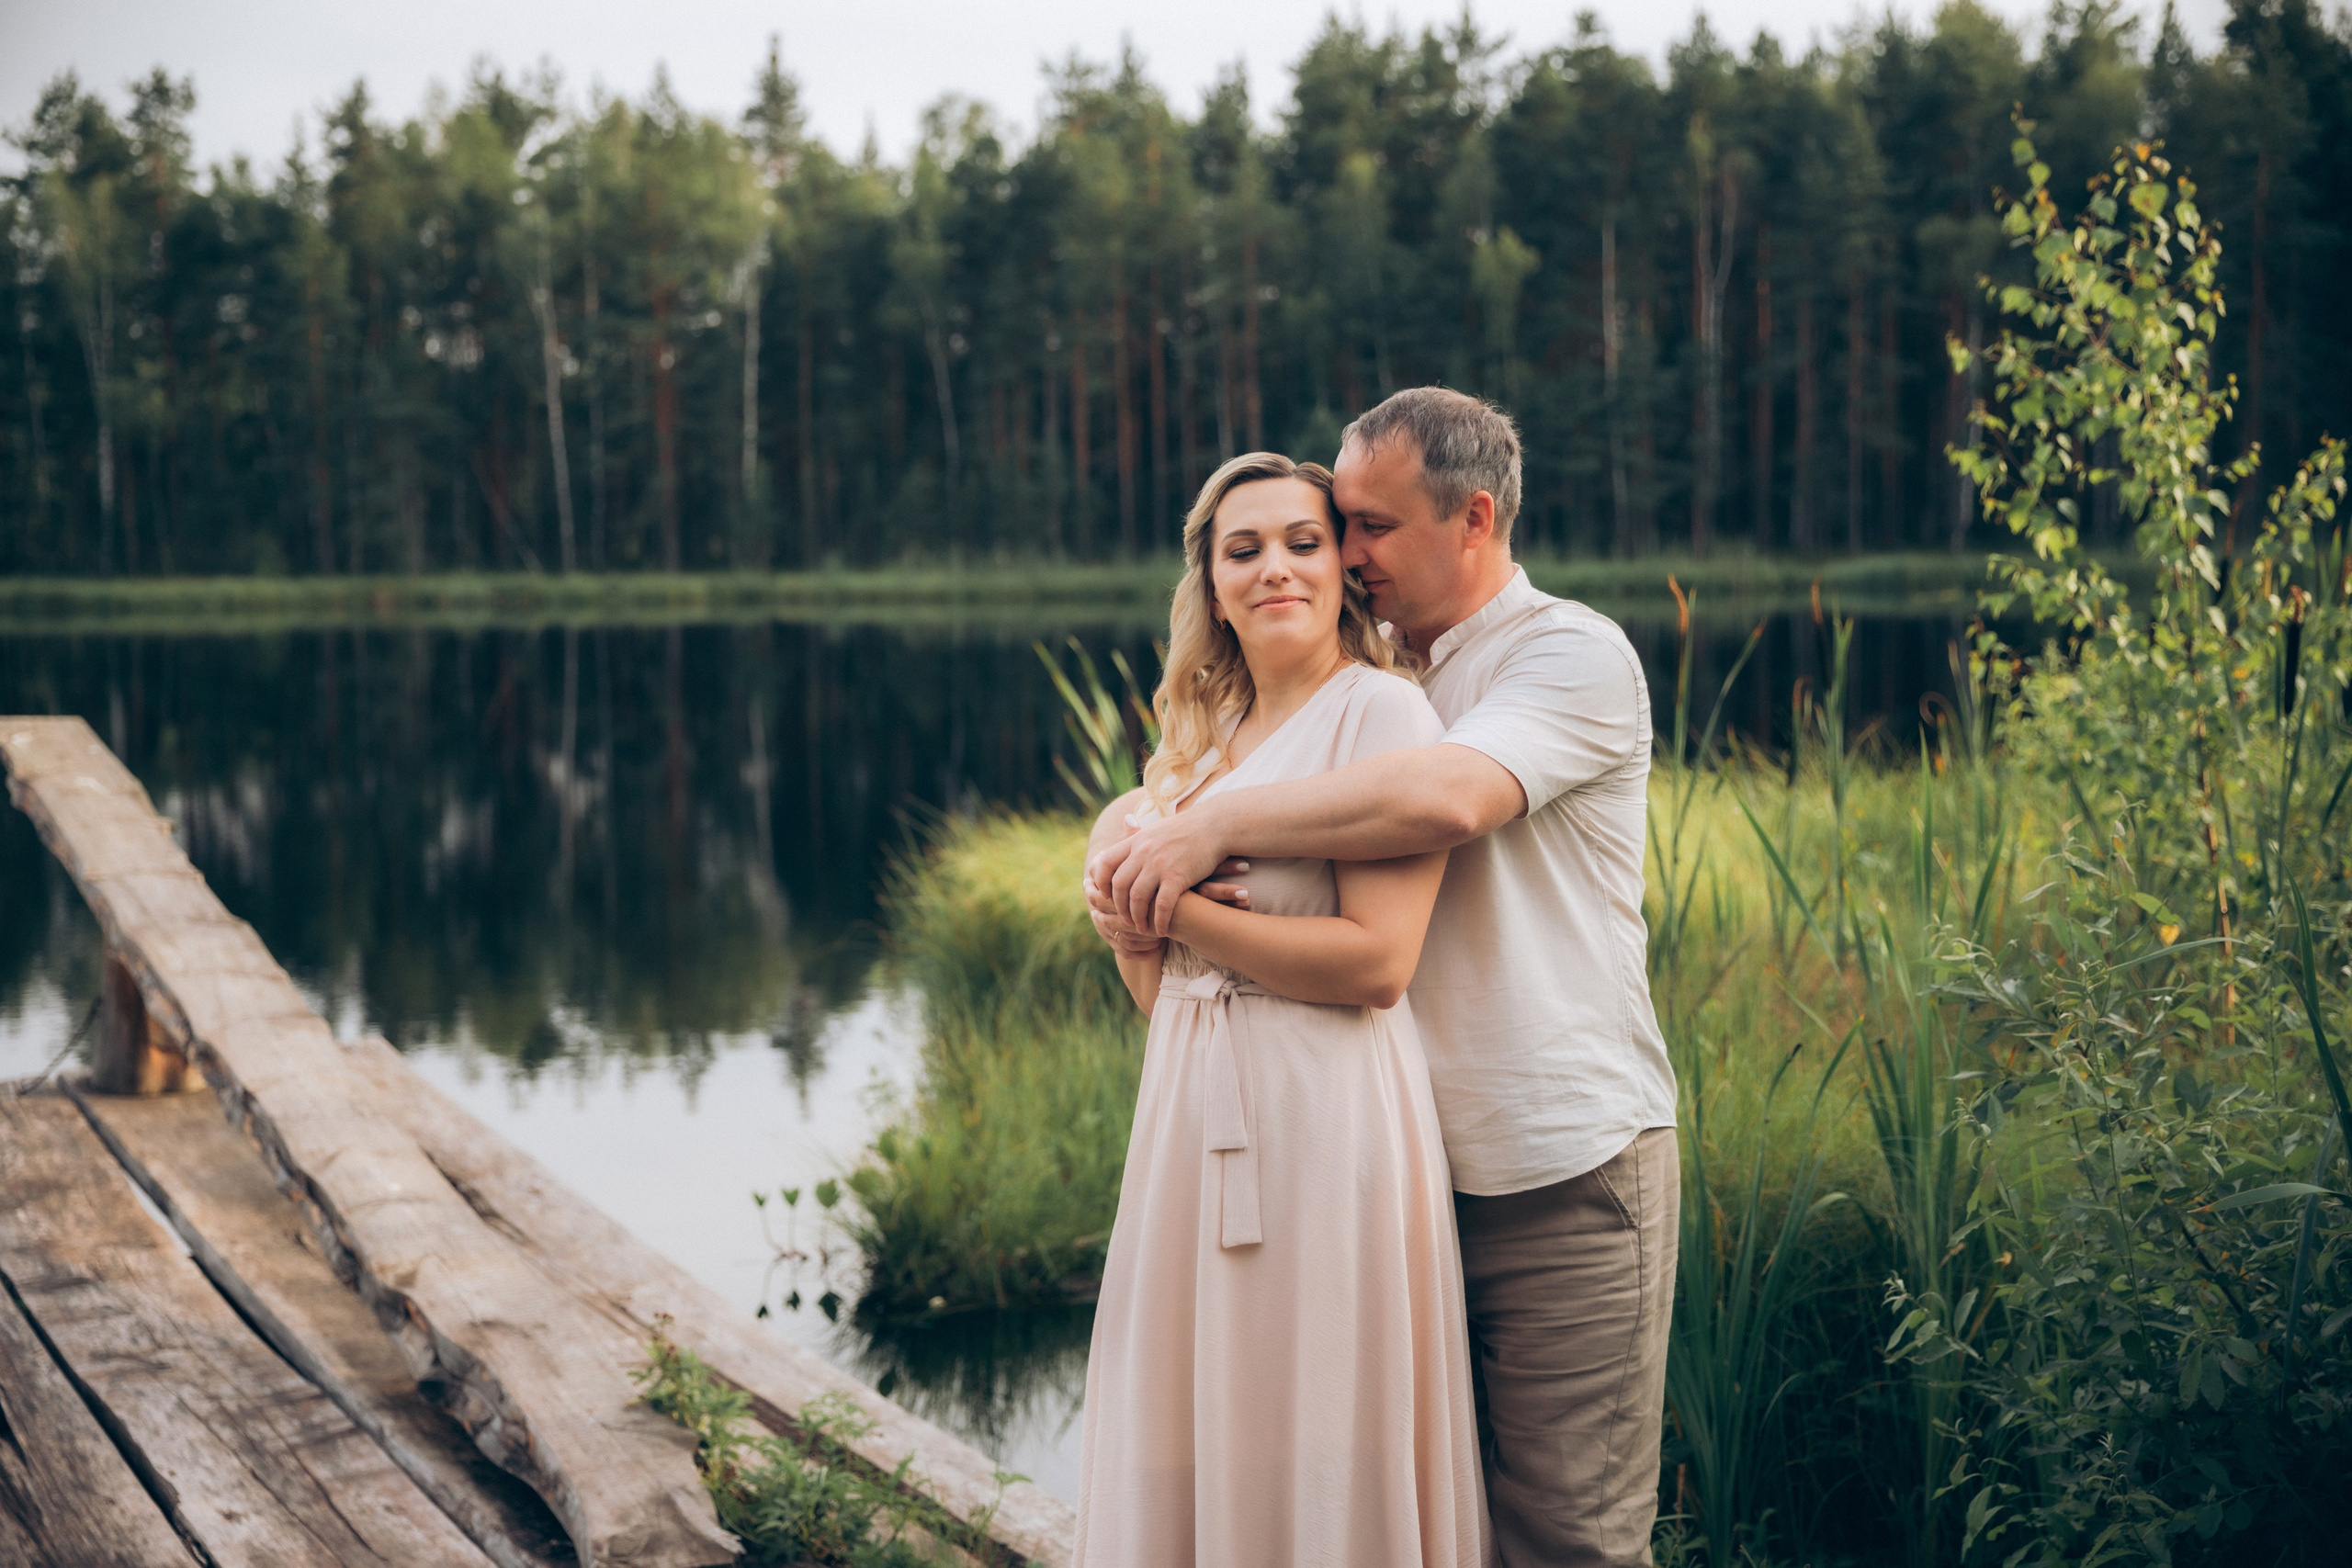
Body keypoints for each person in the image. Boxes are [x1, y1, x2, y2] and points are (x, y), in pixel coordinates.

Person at [1087, 388, 1679, 1568]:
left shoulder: (1564, 654)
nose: (1344, 558)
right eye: (1329, 529)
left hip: (1553, 1160)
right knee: (1395, 1504)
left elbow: (1444, 799)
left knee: (1564, 1535)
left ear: (1471, 519)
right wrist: (1146, 858)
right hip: (1389, 1166)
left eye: (1366, 528)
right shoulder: (1365, 668)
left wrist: (1200, 837)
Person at [1070, 451, 1490, 1568]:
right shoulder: (1194, 751)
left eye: (1303, 543)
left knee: (1317, 1411)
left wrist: (1179, 908)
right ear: (1209, 583)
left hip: (1326, 1112)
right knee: (1194, 1411)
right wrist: (1127, 917)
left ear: (1343, 569)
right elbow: (1165, 997)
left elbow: (1377, 964)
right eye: (1242, 550)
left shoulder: (1384, 715)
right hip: (1189, 1114)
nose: (1275, 570)